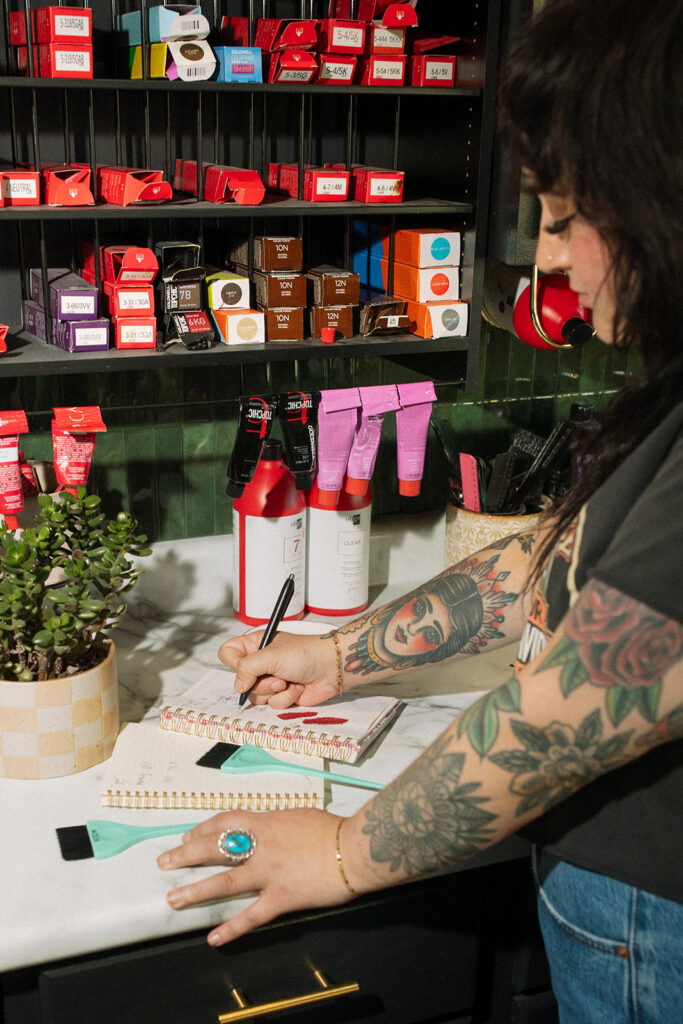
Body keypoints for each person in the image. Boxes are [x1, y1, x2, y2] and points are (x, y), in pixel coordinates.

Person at [157, 0, 683, 1018]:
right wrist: (341, 656)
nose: (551, 263)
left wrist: (346, 852)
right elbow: (550, 555)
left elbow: (571, 713)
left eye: (568, 218)